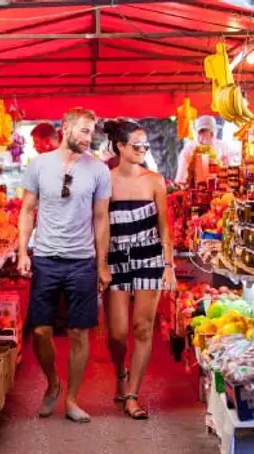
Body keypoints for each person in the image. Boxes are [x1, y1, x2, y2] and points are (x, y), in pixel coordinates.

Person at [17, 107, 112, 423]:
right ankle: (53, 383)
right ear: (66, 128)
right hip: (45, 257)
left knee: (78, 332)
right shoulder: (39, 165)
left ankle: (71, 398)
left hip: (81, 261)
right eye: (84, 130)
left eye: (92, 132)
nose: (89, 137)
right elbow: (27, 210)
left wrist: (101, 264)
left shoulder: (99, 170)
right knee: (41, 331)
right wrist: (22, 253)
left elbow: (101, 218)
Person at [102, 119, 175, 420]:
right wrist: (101, 263)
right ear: (120, 146)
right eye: (136, 146)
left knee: (143, 327)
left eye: (145, 145)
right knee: (117, 332)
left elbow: (165, 227)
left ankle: (132, 393)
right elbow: (101, 223)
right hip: (116, 258)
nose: (143, 150)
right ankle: (121, 371)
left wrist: (168, 265)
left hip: (150, 257)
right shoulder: (105, 180)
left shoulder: (155, 180)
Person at [174, 115, 233, 185]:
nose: (202, 136)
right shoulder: (189, 150)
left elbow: (230, 173)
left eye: (205, 131)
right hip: (195, 188)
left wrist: (224, 166)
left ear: (213, 133)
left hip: (219, 188)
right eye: (200, 132)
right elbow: (180, 180)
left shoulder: (223, 147)